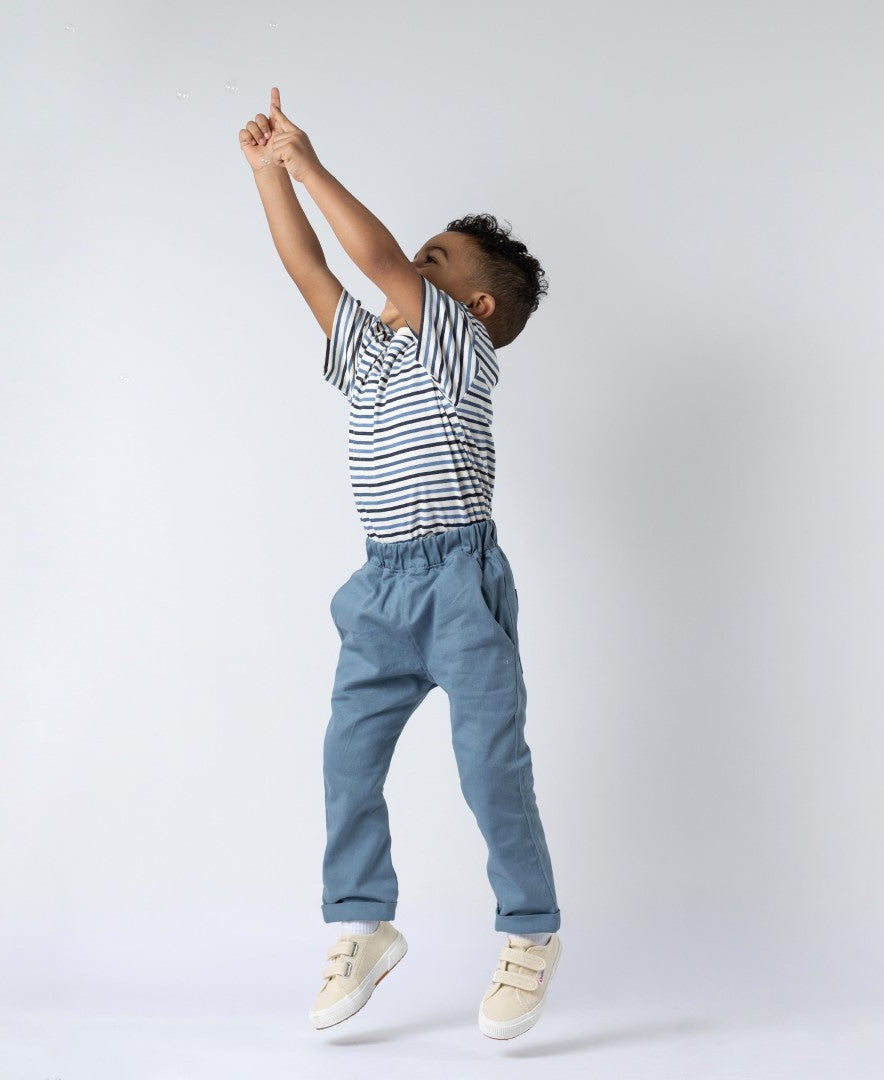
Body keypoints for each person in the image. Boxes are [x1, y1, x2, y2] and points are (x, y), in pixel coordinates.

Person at [239, 87, 561, 1040]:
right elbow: (310, 269)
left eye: (435, 262)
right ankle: (361, 923)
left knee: (489, 764)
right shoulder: (374, 351)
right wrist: (270, 176)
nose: (405, 269)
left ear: (476, 304)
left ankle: (531, 933)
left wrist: (309, 162)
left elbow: (370, 254)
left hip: (461, 585)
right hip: (380, 586)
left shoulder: (460, 348)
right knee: (348, 757)